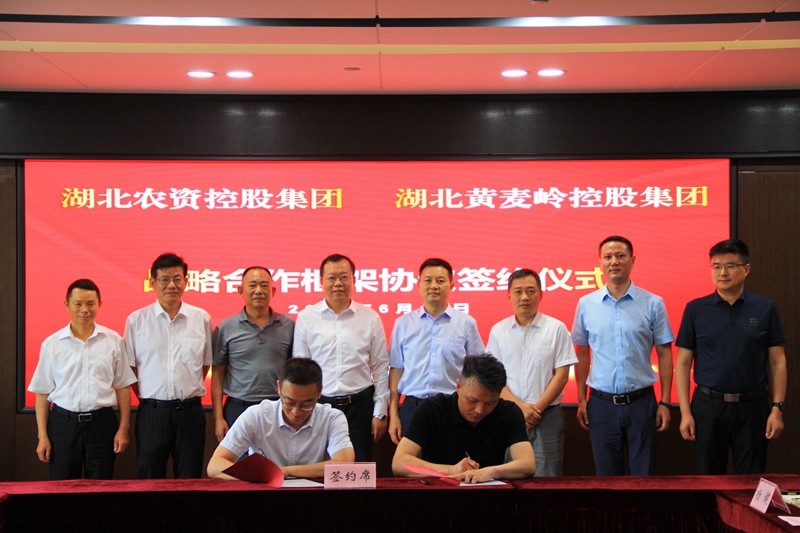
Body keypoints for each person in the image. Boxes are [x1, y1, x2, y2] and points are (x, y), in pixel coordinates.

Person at [675, 239, 787, 474]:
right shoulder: (695, 309)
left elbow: (777, 361)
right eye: (716, 266)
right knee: (709, 480)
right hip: (708, 406)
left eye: (730, 266)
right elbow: (683, 363)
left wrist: (777, 408)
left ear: (746, 269)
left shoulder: (765, 308)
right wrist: (685, 412)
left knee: (750, 481)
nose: (722, 273)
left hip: (752, 407)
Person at [571, 236, 674, 476]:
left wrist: (666, 402)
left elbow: (664, 353)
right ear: (600, 263)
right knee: (607, 480)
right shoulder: (586, 304)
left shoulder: (653, 303)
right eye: (608, 257)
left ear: (632, 260)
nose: (614, 262)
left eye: (620, 256)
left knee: (644, 477)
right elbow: (582, 353)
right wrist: (581, 399)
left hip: (642, 403)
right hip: (601, 405)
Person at [29, 279, 136, 480]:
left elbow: (122, 387)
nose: (84, 309)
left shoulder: (113, 340)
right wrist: (42, 436)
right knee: (62, 488)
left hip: (102, 424)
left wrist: (123, 428)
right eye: (78, 304)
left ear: (99, 304)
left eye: (90, 303)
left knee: (101, 487)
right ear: (67, 304)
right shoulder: (52, 344)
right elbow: (42, 393)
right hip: (63, 425)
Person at [293, 253, 389, 461]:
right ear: (321, 281)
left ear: (353, 280)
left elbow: (381, 367)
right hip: (320, 406)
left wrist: (380, 411)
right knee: (320, 468)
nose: (338, 283)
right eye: (332, 278)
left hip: (360, 406)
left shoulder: (370, 317)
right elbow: (301, 370)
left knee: (359, 467)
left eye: (344, 277)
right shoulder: (306, 318)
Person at [124, 252, 212, 478]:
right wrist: (152, 397)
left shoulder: (201, 318)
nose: (171, 285)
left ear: (186, 281)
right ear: (153, 282)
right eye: (164, 279)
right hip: (152, 413)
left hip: (190, 413)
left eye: (177, 279)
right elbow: (131, 369)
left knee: (190, 477)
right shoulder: (136, 321)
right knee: (150, 478)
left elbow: (204, 365)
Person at [486, 268, 577, 477]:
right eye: (518, 292)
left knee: (548, 478)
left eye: (530, 291)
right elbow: (494, 377)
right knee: (509, 475)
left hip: (547, 415)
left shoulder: (556, 328)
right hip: (509, 415)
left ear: (540, 294)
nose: (524, 297)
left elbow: (562, 375)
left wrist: (536, 410)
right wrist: (519, 407)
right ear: (509, 295)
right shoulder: (498, 331)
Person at [392, 354, 536, 483]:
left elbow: (527, 464)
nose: (479, 410)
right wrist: (450, 470)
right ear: (459, 386)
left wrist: (490, 472)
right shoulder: (432, 409)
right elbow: (399, 463)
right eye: (472, 400)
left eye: (490, 403)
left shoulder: (508, 412)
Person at [388, 258, 484, 445]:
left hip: (452, 406)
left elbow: (476, 370)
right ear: (418, 285)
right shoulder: (403, 323)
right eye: (428, 280)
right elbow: (396, 370)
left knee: (451, 461)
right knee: (411, 462)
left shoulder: (466, 323)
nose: (434, 286)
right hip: (412, 407)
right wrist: (394, 414)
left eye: (440, 281)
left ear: (451, 285)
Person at [207, 358, 354, 479]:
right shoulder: (256, 416)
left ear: (320, 392)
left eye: (307, 404)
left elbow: (344, 464)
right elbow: (215, 466)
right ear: (278, 388)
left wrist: (285, 471)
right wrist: (257, 476)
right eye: (289, 402)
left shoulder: (332, 418)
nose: (296, 412)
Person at [211, 266, 293, 442]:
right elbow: (217, 374)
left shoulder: (288, 326)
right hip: (238, 407)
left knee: (276, 458)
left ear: (273, 291)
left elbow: (295, 369)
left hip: (277, 407)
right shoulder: (226, 327)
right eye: (253, 285)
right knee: (239, 459)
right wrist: (218, 418)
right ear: (240, 290)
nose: (259, 290)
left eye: (264, 285)